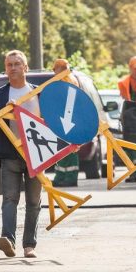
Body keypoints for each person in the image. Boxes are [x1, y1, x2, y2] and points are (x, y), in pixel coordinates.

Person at [0, 50, 41, 258]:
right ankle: (8, 239)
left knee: (34, 201)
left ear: (25, 67)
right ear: (5, 69)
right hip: (9, 155)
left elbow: (52, 126)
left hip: (36, 155)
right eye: (9, 65)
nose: (13, 68)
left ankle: (29, 245)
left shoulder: (37, 93)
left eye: (17, 64)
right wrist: (2, 113)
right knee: (9, 199)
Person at [51, 58, 80, 187]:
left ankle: (68, 177)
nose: (53, 71)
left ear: (59, 69)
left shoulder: (66, 79)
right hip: (66, 118)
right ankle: (62, 176)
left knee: (68, 149)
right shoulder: (69, 78)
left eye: (55, 69)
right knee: (64, 148)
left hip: (67, 118)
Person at [117, 56, 136, 182]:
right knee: (129, 146)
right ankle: (134, 172)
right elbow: (125, 100)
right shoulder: (124, 83)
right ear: (130, 68)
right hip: (130, 116)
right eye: (135, 68)